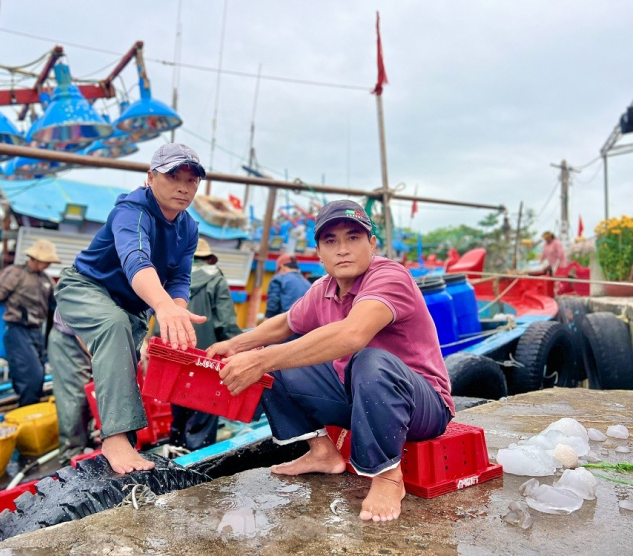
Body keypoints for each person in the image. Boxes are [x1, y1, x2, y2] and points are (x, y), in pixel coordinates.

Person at [207, 199, 454, 523]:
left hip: (422, 404)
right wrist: (234, 345)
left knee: (369, 361)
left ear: (372, 244)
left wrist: (262, 360)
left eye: (353, 238)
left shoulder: (390, 277)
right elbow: (284, 325)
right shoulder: (324, 288)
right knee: (274, 366)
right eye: (331, 241)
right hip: (357, 397)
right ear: (319, 253)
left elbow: (353, 334)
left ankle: (388, 477)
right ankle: (323, 453)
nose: (343, 249)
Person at [54, 143, 207, 474]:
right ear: (150, 177)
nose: (184, 187)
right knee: (112, 326)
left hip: (130, 307)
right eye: (173, 177)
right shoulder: (132, 210)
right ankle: (114, 440)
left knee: (128, 358)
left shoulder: (189, 228)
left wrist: (175, 312)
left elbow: (179, 278)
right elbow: (135, 259)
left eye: (192, 180)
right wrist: (163, 305)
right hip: (86, 288)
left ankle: (126, 437)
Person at [144, 238, 243, 450]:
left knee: (179, 406)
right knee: (205, 409)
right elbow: (225, 322)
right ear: (208, 259)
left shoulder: (169, 279)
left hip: (173, 353)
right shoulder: (215, 278)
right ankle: (196, 461)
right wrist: (240, 346)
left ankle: (176, 452)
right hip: (206, 358)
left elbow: (158, 318)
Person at [0, 239, 61, 407]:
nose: (48, 265)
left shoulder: (46, 280)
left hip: (36, 334)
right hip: (18, 332)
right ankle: (28, 413)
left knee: (37, 379)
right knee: (31, 378)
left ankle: (29, 413)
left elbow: (57, 308)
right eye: (46, 261)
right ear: (36, 259)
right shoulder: (15, 274)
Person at [47, 310, 93, 465]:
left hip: (94, 333)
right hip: (70, 336)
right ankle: (71, 459)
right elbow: (80, 320)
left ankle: (89, 445)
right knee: (75, 399)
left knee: (91, 396)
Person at [264, 253, 312, 319]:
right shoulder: (308, 284)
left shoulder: (278, 279)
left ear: (282, 267)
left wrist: (266, 323)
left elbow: (272, 307)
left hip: (285, 322)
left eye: (278, 271)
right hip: (304, 324)